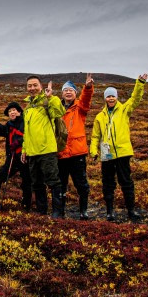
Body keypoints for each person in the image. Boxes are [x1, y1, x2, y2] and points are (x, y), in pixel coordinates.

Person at [90, 75, 148, 222]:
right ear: (105, 98)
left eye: (113, 96)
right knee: (108, 183)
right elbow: (96, 136)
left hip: (122, 152)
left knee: (126, 182)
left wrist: (140, 83)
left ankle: (131, 210)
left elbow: (135, 99)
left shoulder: (124, 110)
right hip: (106, 153)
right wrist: (93, 150)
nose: (110, 98)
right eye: (108, 96)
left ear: (116, 97)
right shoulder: (99, 117)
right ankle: (110, 211)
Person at [21, 76, 65, 217]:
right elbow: (26, 132)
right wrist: (24, 149)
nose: (32, 88)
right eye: (29, 86)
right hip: (32, 152)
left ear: (40, 86)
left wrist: (51, 97)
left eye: (35, 85)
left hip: (47, 150)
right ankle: (42, 211)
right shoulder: (27, 108)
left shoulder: (47, 101)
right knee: (37, 184)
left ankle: (57, 212)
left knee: (53, 181)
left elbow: (59, 112)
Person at [0, 102, 31, 210]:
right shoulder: (9, 125)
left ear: (19, 112)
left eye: (14, 110)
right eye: (9, 111)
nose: (12, 112)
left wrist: (18, 142)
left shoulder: (26, 122)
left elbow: (30, 135)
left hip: (25, 157)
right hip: (12, 157)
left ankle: (26, 204)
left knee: (27, 182)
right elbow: (1, 129)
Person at [57, 75, 94, 219]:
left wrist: (88, 88)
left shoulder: (80, 107)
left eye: (70, 90)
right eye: (65, 90)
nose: (68, 92)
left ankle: (83, 211)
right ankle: (60, 212)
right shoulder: (57, 108)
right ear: (61, 93)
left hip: (77, 153)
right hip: (61, 153)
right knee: (61, 185)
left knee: (81, 184)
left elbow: (86, 99)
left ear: (75, 93)